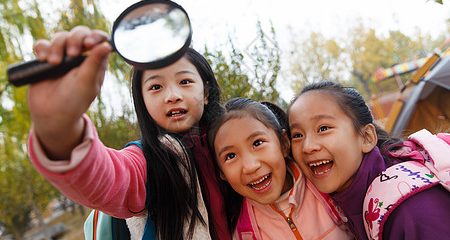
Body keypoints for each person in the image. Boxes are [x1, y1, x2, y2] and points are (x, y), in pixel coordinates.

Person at [26, 26, 231, 240]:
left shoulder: (236, 140)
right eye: (155, 87)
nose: (172, 95)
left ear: (206, 92)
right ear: (143, 102)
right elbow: (106, 177)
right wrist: (60, 127)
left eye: (185, 82)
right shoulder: (149, 162)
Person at [287, 81, 450, 240]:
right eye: (297, 135)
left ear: (366, 137)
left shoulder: (410, 209)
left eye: (323, 128)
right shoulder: (342, 202)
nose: (307, 147)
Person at [208, 97, 352, 239]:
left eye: (257, 143)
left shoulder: (329, 188)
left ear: (283, 143)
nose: (250, 167)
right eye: (231, 156)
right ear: (222, 173)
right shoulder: (240, 231)